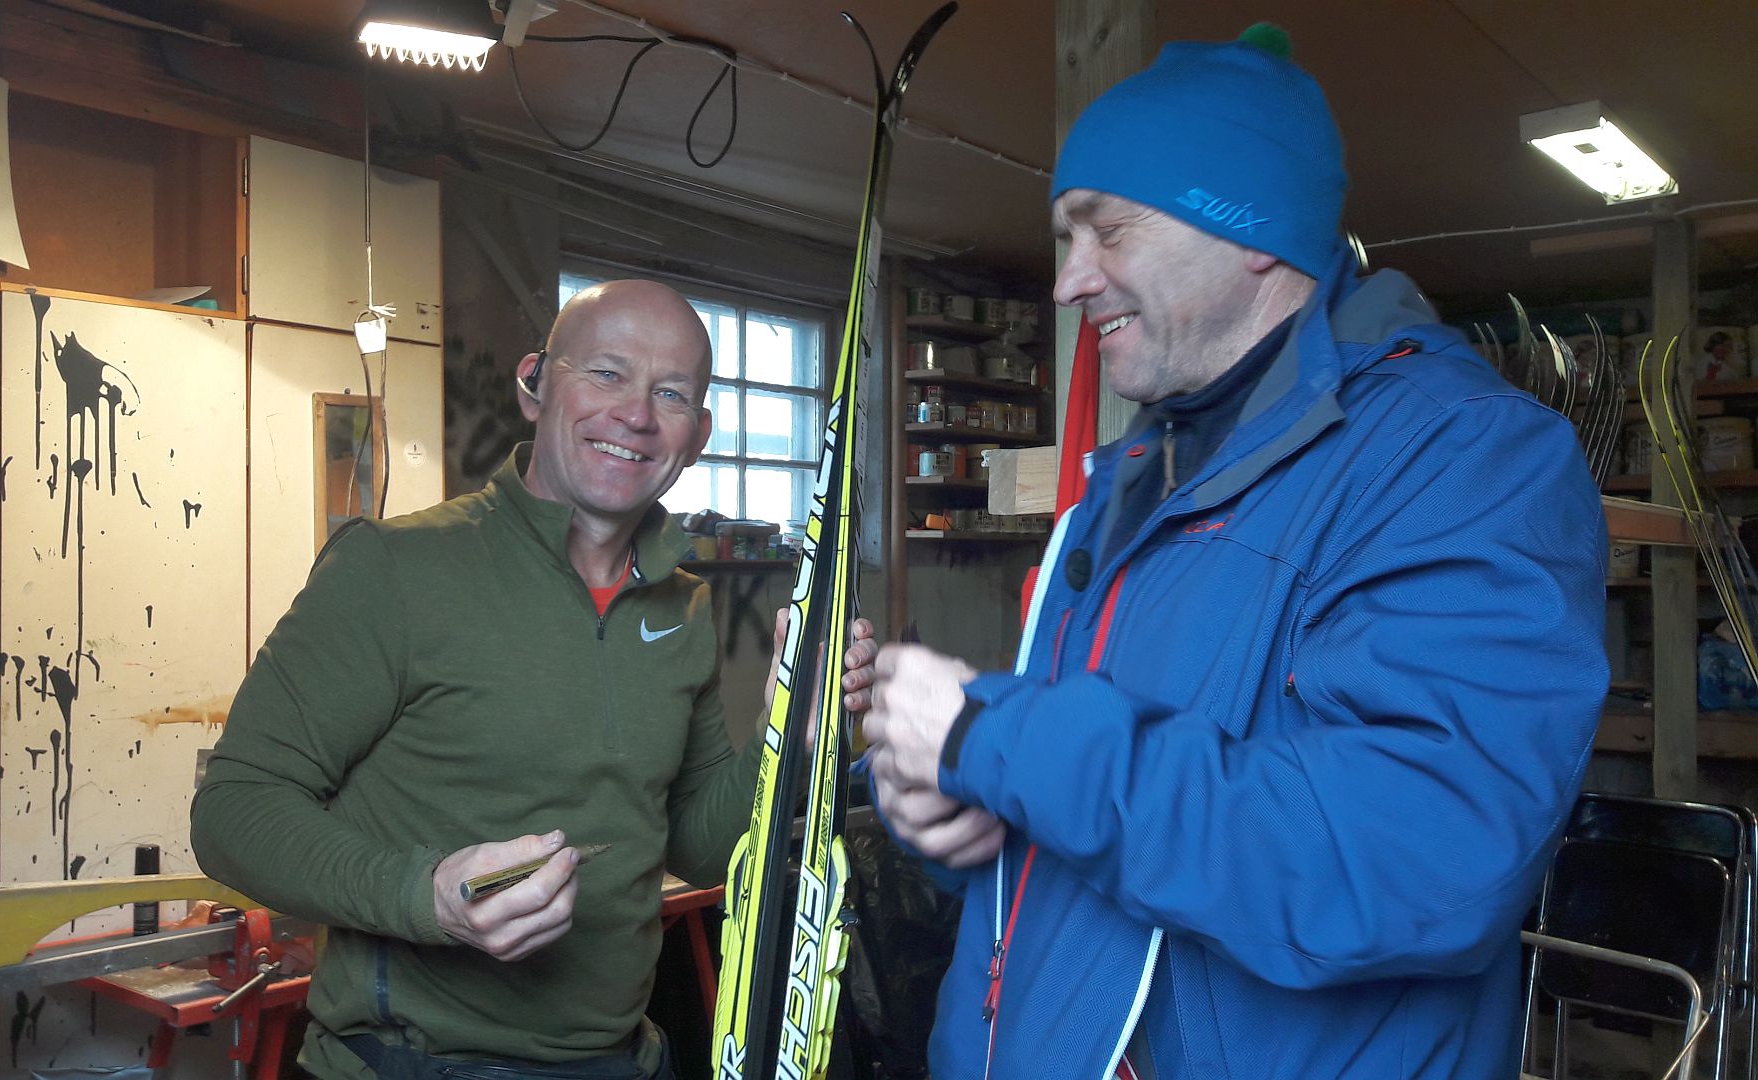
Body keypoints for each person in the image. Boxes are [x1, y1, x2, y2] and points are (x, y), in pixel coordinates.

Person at [860, 25, 1607, 1080]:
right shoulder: (1132, 477)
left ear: (1252, 229)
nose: (1069, 282)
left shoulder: (1462, 457)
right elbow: (1090, 819)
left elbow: (1420, 859)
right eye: (1067, 239)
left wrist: (999, 737)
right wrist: (946, 799)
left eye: (1107, 230)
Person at [192, 279, 876, 1080]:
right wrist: (428, 895)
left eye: (670, 394)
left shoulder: (684, 606)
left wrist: (790, 733)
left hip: (622, 1061)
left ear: (697, 435)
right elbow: (233, 812)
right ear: (535, 384)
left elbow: (697, 849)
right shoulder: (393, 569)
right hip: (413, 1065)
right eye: (608, 374)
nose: (636, 415)